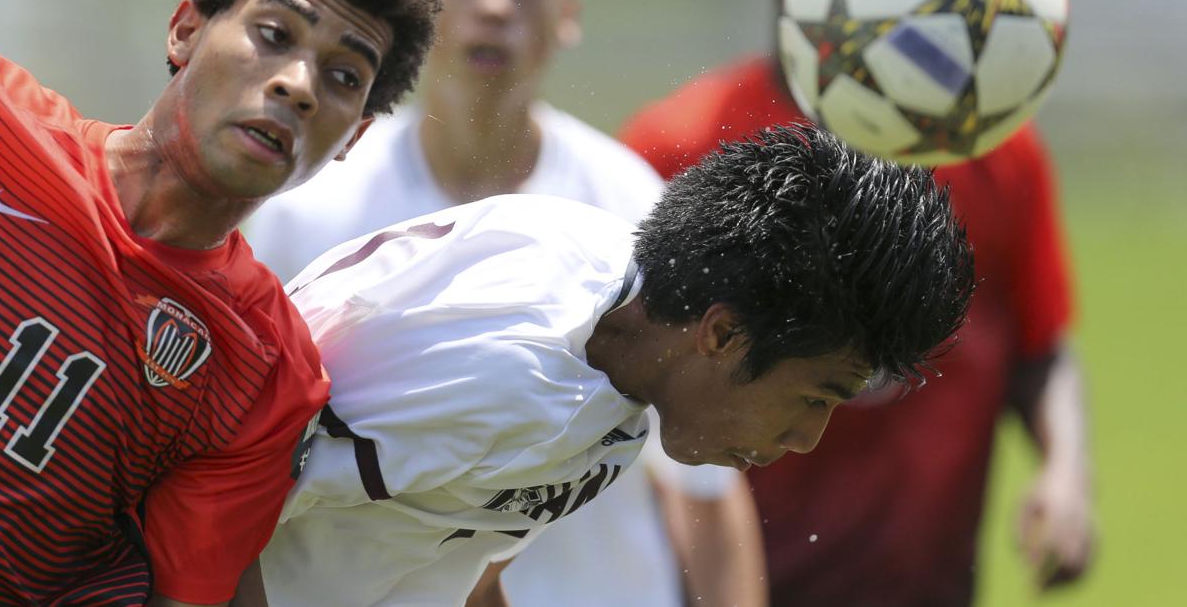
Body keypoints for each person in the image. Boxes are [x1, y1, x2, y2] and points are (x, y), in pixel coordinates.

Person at [244, 0, 766, 606]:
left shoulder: (633, 207)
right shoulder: (310, 205)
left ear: (568, 13)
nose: (494, 3)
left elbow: (706, 495)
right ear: (417, 3)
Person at [618, 0, 1095, 604]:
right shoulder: (678, 141)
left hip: (926, 584)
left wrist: (1066, 471)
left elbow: (1039, 345)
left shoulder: (998, 152)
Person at [256, 122, 976, 607]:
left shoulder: (620, 353)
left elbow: (463, 563)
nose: (807, 439)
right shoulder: (507, 364)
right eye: (817, 397)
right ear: (723, 335)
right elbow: (226, 492)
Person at [0, 0, 438, 606]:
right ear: (186, 31)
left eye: (343, 76)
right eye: (275, 35)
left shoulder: (263, 374)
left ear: (351, 139)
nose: (298, 86)